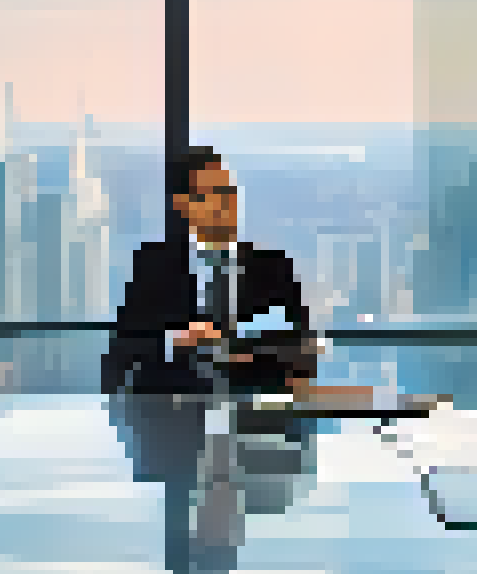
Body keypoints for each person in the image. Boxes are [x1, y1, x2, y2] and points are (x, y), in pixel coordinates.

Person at [103, 146, 318, 396]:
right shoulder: (154, 267)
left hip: (252, 406)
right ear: (184, 205)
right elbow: (122, 352)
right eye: (211, 194)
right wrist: (176, 340)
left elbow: (303, 355)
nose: (223, 203)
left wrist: (242, 346)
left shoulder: (275, 268)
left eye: (228, 192)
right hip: (174, 406)